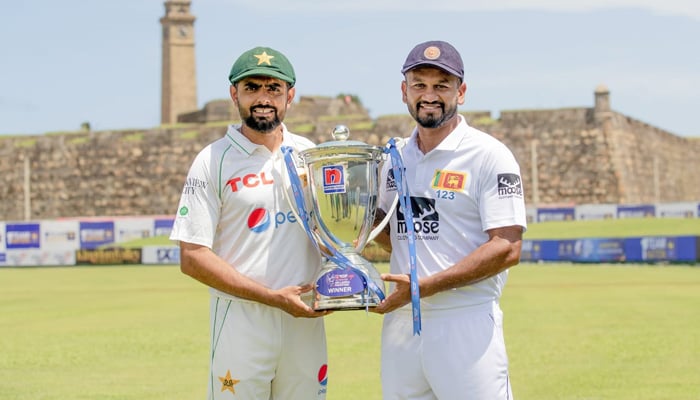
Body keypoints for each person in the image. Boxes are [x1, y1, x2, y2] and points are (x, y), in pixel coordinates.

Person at [169, 46, 329, 400]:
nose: (263, 98)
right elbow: (192, 256)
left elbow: (331, 232)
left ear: (290, 95)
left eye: (273, 88)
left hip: (305, 316)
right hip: (241, 319)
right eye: (251, 88)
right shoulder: (212, 160)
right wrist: (271, 297)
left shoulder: (309, 154)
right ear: (234, 94)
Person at [372, 40, 527, 399]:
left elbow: (507, 247)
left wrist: (424, 286)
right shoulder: (393, 157)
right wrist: (340, 219)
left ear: (461, 91)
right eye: (419, 85)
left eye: (441, 85)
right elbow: (394, 235)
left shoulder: (489, 155)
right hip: (402, 323)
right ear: (404, 91)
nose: (429, 95)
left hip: (464, 319)